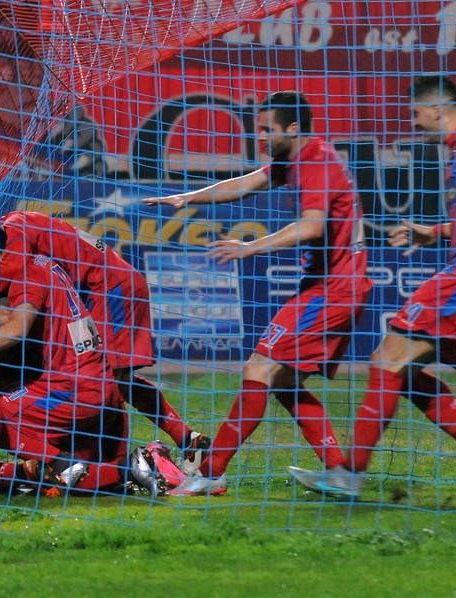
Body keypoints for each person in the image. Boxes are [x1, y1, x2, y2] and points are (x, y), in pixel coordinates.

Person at [290, 75, 456, 500]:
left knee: (389, 359)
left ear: (436, 110)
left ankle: (349, 474)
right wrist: (438, 231)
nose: (413, 124)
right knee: (398, 366)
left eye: (415, 114)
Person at [142, 91, 372, 495]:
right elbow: (248, 183)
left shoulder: (316, 161)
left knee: (258, 369)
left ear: (294, 129)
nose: (261, 136)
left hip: (334, 288)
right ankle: (340, 471)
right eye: (258, 129)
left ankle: (211, 472)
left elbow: (311, 227)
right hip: (326, 285)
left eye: (268, 129)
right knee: (281, 381)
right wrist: (190, 196)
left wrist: (249, 247)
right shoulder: (297, 158)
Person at [0, 211, 211, 473]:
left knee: (109, 384)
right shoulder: (17, 223)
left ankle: (121, 466)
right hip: (105, 286)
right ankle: (184, 442)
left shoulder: (16, 242)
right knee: (108, 381)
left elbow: (3, 279)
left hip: (109, 290)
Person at [0, 220, 162, 496]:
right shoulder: (40, 262)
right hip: (95, 382)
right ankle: (109, 471)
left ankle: (72, 469)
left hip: (74, 388)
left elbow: (16, 327)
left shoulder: (25, 274)